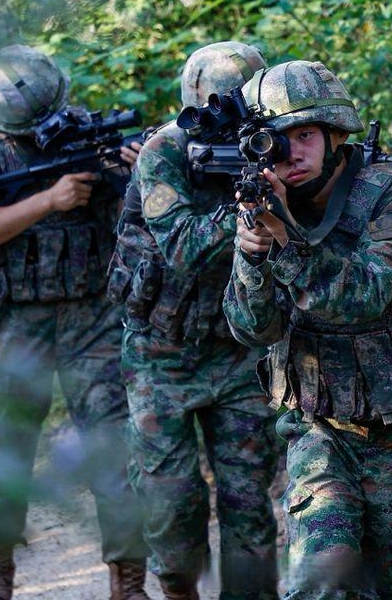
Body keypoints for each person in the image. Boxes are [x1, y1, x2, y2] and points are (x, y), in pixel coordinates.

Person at [223, 60, 392, 600]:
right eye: (274, 140)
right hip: (320, 431)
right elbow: (251, 329)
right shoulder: (269, 204)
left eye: (303, 136)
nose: (289, 154)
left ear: (336, 134)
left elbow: (362, 298)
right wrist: (252, 253)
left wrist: (286, 240)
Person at [0, 45, 148, 600]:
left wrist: (135, 173)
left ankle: (128, 581)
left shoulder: (88, 132)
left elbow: (132, 218)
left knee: (115, 447)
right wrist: (48, 201)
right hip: (13, 320)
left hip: (92, 314)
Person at [110, 41, 281, 600]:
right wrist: (250, 209)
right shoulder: (165, 150)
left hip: (237, 351)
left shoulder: (272, 143)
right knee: (171, 506)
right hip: (160, 356)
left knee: (248, 501)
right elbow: (183, 247)